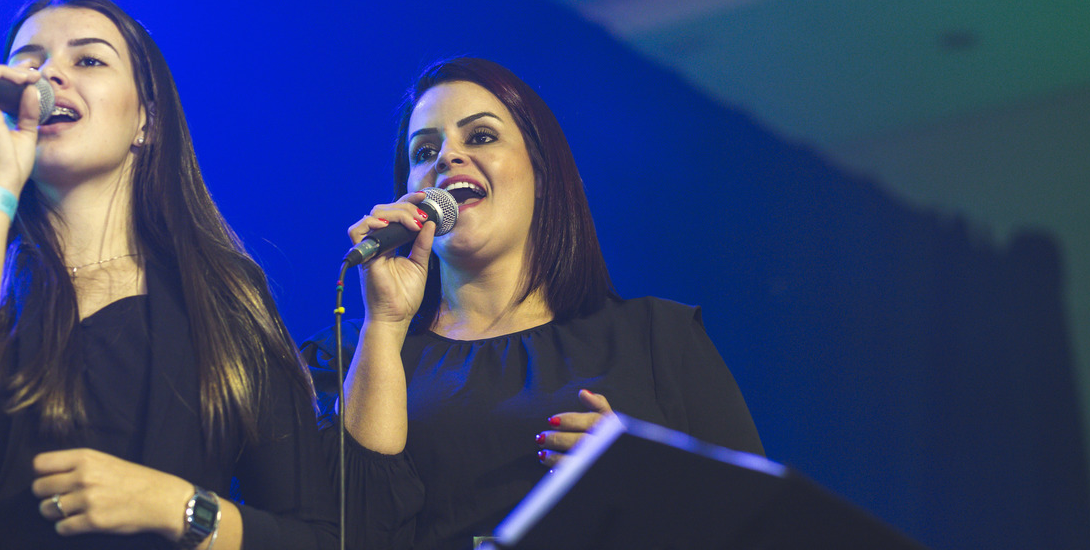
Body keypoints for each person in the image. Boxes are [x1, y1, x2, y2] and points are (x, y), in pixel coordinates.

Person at [302, 58, 762, 550]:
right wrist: (385, 323)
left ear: (541, 172)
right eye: (425, 151)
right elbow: (341, 532)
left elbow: (762, 526)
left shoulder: (656, 339)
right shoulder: (349, 355)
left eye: (480, 137)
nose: (447, 157)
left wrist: (645, 485)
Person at [0, 0, 339, 548]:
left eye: (88, 59)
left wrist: (180, 507)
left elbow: (316, 536)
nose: (49, 75)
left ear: (145, 120)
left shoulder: (221, 300)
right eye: (29, 63)